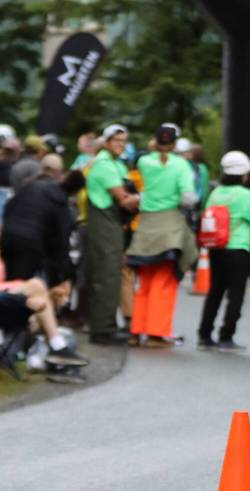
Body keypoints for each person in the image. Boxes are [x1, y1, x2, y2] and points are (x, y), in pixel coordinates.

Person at [0, 218, 88, 368]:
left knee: (39, 308)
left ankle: (53, 353)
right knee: (36, 286)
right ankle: (57, 347)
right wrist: (20, 285)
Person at [125, 123, 198, 347]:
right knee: (164, 282)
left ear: (155, 142)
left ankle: (136, 331)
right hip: (170, 225)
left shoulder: (145, 162)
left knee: (144, 281)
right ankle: (156, 333)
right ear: (175, 144)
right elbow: (188, 198)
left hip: (146, 225)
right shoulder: (181, 165)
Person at [197, 151, 250, 351]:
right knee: (236, 294)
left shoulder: (216, 193)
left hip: (216, 247)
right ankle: (226, 336)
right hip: (238, 248)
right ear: (243, 174)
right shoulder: (245, 195)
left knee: (215, 291)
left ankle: (204, 335)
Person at [84, 124, 139, 345]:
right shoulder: (105, 165)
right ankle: (102, 330)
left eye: (124, 140)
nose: (121, 144)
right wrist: (147, 198)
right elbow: (124, 199)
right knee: (106, 276)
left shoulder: (116, 164)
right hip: (104, 224)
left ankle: (106, 326)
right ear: (106, 142)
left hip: (113, 224)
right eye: (116, 140)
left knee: (111, 274)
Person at [1, 156, 76, 287]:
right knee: (21, 287)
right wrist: (66, 271)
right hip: (31, 243)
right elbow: (62, 235)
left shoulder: (27, 186)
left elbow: (9, 207)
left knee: (9, 281)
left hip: (8, 236)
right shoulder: (57, 193)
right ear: (59, 172)